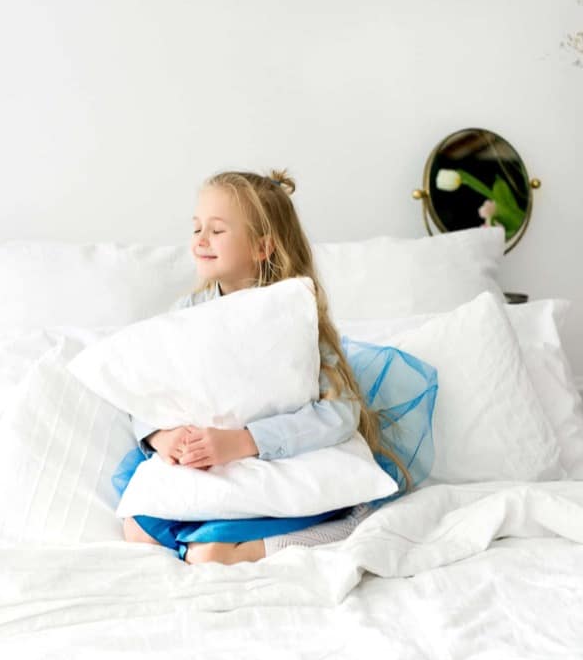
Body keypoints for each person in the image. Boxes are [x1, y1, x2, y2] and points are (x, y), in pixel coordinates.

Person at [121, 169, 410, 565]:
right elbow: (146, 392)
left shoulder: (296, 321)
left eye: (217, 231)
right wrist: (161, 436)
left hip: (279, 457)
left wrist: (245, 441)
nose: (200, 240)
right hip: (207, 461)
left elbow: (342, 413)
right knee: (137, 530)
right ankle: (208, 542)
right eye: (196, 228)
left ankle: (324, 531)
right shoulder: (185, 316)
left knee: (212, 556)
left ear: (262, 247)